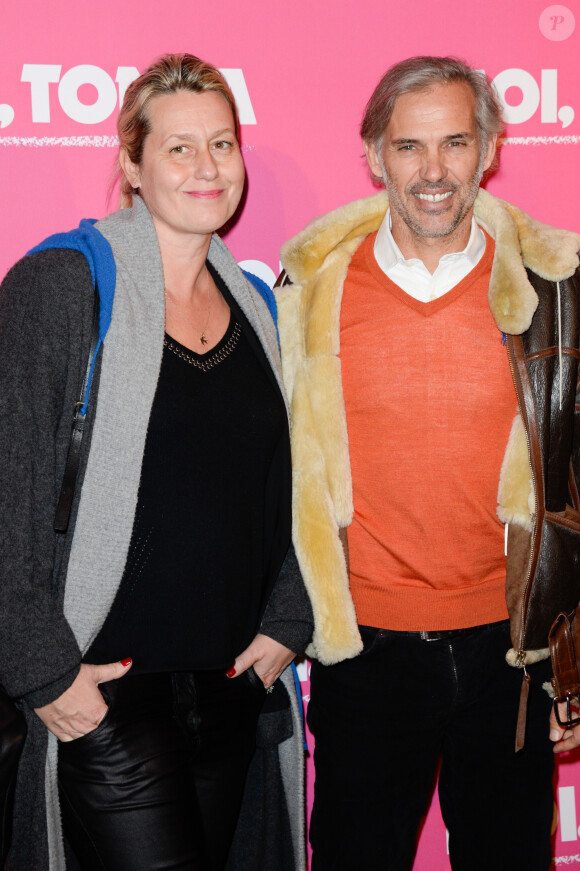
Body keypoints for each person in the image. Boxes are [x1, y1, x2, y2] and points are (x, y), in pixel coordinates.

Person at [0, 53, 312, 871]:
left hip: (233, 690)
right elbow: (9, 487)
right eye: (178, 148)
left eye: (221, 144)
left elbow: (302, 489)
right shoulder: (63, 287)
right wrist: (43, 671)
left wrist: (292, 615)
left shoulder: (261, 308)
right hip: (107, 696)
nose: (206, 168)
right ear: (131, 166)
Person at [275, 56, 580, 871]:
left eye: (456, 142)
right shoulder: (310, 289)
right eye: (408, 147)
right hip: (364, 653)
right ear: (374, 155)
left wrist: (573, 653)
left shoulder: (555, 289)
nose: (434, 171)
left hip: (511, 653)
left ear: (490, 150)